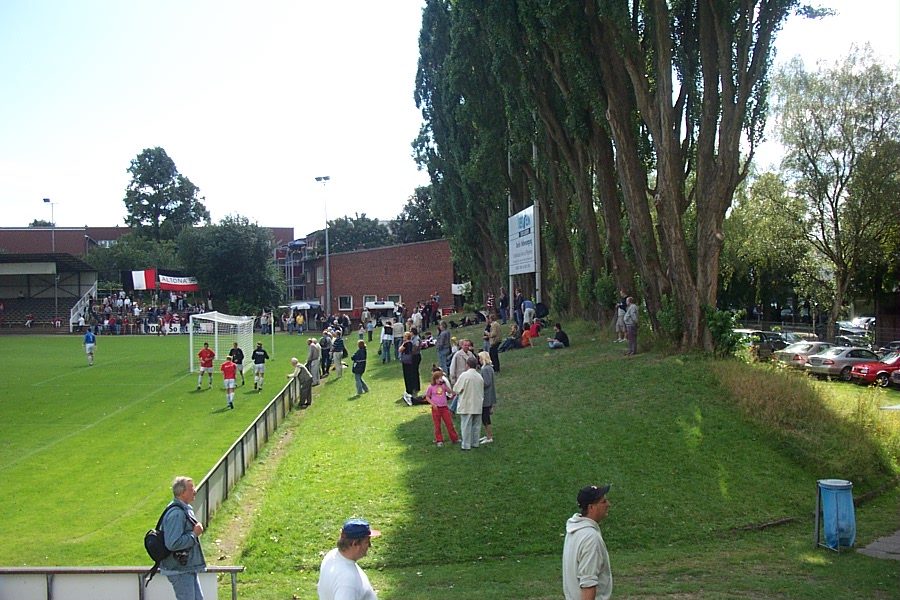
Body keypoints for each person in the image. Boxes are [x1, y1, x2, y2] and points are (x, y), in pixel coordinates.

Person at [562, 484, 613, 600]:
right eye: (603, 502)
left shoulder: (574, 531)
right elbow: (588, 584)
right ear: (591, 508)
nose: (608, 504)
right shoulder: (590, 538)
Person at [160, 476, 207, 600]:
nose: (195, 491)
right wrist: (194, 534)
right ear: (182, 493)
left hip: (186, 568)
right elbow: (172, 543)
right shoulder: (177, 513)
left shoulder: (183, 509)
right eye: (191, 489)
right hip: (179, 570)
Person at [317, 518, 381, 600]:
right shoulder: (348, 581)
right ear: (355, 544)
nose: (369, 546)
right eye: (367, 542)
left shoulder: (332, 555)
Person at [453, 355, 484, 450]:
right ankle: (475, 442)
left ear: (467, 365)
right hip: (477, 403)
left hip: (467, 403)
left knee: (466, 425)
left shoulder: (465, 375)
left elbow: (457, 389)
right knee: (476, 425)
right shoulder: (479, 376)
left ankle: (466, 445)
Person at [425, 369, 458, 446]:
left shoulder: (443, 386)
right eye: (438, 378)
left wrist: (445, 384)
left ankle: (454, 438)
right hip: (436, 408)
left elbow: (449, 392)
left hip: (444, 407)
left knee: (449, 423)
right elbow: (427, 397)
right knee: (437, 425)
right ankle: (439, 440)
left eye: (440, 378)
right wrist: (433, 404)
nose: (439, 380)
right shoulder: (431, 387)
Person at [478, 351, 496, 444]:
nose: (479, 360)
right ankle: (487, 435)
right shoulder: (489, 368)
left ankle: (489, 436)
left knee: (485, 416)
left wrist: (478, 382)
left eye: (480, 358)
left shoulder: (486, 369)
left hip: (486, 396)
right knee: (485, 415)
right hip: (488, 395)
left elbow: (487, 382)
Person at [399, 332, 418, 398]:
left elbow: (400, 349)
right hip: (410, 360)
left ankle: (408, 389)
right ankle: (411, 388)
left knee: (406, 375)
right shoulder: (411, 343)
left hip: (405, 361)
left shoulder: (406, 344)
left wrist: (403, 343)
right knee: (410, 374)